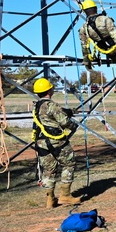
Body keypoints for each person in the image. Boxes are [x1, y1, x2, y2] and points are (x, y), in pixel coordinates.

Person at [31, 78, 81, 208]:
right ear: (49, 90)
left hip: (41, 143)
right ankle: (65, 196)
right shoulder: (51, 105)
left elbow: (47, 117)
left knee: (48, 170)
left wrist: (67, 111)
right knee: (69, 164)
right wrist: (73, 125)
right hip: (56, 142)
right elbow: (64, 121)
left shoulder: (36, 106)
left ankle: (50, 199)